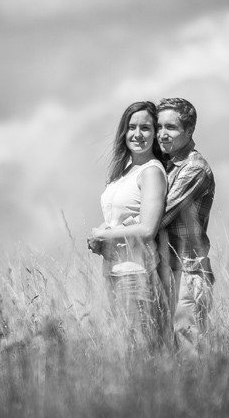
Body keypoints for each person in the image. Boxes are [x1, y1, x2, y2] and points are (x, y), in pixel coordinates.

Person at [87, 101, 169, 344]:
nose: (137, 134)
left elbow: (147, 229)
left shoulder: (151, 172)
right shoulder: (124, 171)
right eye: (132, 127)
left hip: (137, 273)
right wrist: (103, 231)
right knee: (124, 350)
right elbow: (117, 219)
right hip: (115, 272)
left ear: (155, 134)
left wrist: (102, 236)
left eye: (145, 128)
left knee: (139, 352)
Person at [156, 97, 216, 350]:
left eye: (170, 127)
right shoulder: (166, 165)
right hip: (169, 273)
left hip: (188, 275)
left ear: (189, 130)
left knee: (191, 355)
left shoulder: (194, 168)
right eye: (159, 127)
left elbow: (159, 217)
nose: (162, 134)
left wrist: (113, 231)